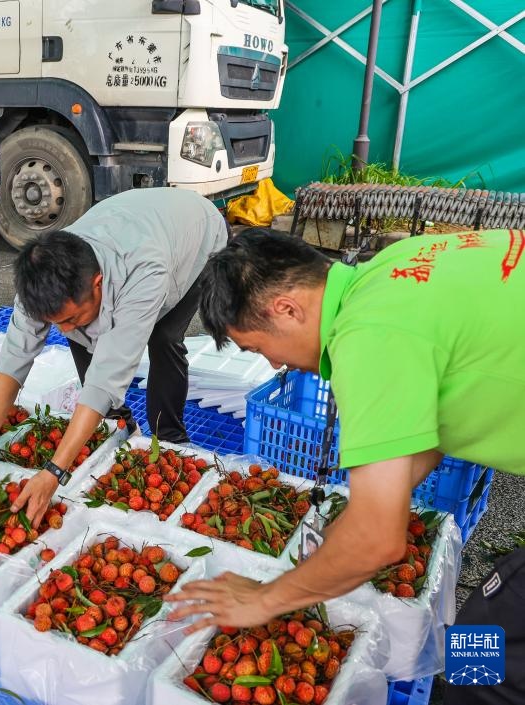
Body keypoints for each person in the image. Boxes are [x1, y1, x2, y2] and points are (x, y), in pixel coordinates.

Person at [167, 228, 524, 705]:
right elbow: (429, 422)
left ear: (288, 309)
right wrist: (364, 509)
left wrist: (265, 599)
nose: (274, 365)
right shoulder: (391, 269)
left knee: (480, 654)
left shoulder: (370, 338)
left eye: (256, 349)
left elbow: (378, 540)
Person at [0, 187, 228, 527]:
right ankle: (117, 425)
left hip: (196, 238)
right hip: (133, 219)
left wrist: (54, 471)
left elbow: (109, 372)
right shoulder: (40, 281)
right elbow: (12, 364)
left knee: (163, 337)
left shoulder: (144, 271)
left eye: (70, 318)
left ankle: (168, 435)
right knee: (85, 337)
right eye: (57, 323)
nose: (64, 330)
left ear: (97, 283)